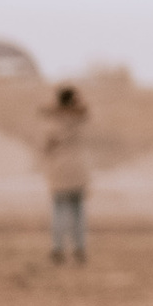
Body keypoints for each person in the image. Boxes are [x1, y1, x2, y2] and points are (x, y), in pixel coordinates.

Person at [44, 86, 93, 265]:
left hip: (59, 169)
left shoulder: (53, 121)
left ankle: (58, 249)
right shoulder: (80, 118)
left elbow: (47, 145)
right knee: (79, 212)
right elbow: (85, 108)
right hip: (78, 170)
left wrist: (55, 107)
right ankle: (79, 248)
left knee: (59, 212)